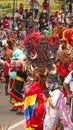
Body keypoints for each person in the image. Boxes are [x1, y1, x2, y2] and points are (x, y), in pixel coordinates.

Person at [44, 63, 73, 130]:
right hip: (49, 115)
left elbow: (53, 104)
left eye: (48, 83)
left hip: (53, 117)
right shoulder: (52, 91)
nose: (47, 84)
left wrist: (47, 95)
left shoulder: (58, 92)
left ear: (53, 84)